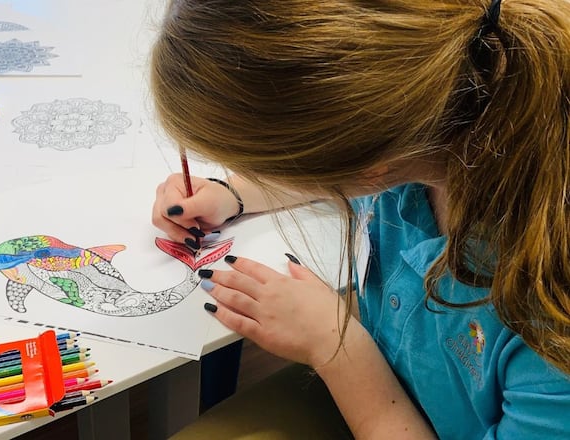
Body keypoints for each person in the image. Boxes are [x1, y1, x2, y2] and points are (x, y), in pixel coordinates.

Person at [148, 0, 570, 438]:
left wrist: (334, 345)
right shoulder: (444, 114)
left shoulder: (550, 321)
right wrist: (234, 193)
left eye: (269, 167)